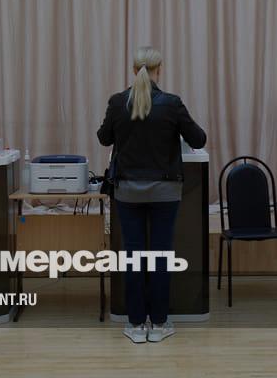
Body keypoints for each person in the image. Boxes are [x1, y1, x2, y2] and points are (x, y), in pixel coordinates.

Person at [97, 46, 207, 343]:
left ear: (134, 71)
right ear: (159, 70)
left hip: (128, 192)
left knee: (133, 257)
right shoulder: (171, 103)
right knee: (160, 256)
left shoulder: (118, 102)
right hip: (165, 192)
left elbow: (104, 138)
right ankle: (158, 323)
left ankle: (135, 324)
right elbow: (199, 138)